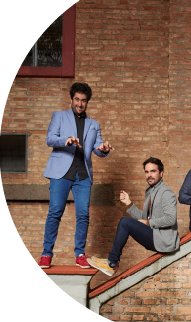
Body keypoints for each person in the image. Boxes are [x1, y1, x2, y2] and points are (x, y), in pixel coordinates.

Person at [38, 82, 114, 269]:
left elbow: (98, 148)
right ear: (72, 99)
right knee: (55, 211)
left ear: (87, 102)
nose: (80, 104)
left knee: (83, 214)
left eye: (84, 101)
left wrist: (104, 149)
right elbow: (50, 138)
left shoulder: (94, 124)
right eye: (77, 99)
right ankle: (46, 254)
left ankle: (80, 253)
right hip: (61, 172)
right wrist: (66, 140)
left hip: (83, 174)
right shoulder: (59, 116)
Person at [88, 157, 180, 276]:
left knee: (124, 222)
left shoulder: (166, 192)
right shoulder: (150, 192)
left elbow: (170, 219)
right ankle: (111, 261)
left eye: (153, 171)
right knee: (126, 222)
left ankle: (112, 263)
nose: (149, 175)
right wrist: (129, 204)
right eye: (146, 172)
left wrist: (148, 223)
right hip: (155, 235)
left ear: (161, 173)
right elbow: (143, 219)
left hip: (164, 240)